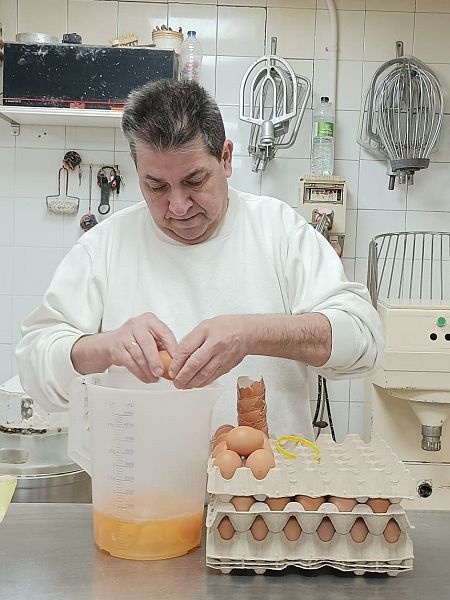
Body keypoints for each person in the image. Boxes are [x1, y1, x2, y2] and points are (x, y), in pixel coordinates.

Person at [16, 79, 383, 438]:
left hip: (268, 492)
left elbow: (362, 341)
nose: (177, 205)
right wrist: (104, 346)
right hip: (140, 489)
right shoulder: (104, 247)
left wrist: (251, 333)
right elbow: (34, 368)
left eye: (194, 181)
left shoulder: (279, 230)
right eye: (156, 186)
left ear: (225, 158)